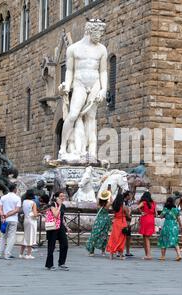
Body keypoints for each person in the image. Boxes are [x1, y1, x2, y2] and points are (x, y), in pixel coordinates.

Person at [58, 19, 107, 159]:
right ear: (89, 31)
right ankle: (62, 147)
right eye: (98, 32)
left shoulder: (102, 49)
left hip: (95, 84)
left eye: (102, 33)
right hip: (79, 83)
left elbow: (103, 71)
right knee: (73, 115)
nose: (100, 36)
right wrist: (67, 85)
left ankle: (90, 152)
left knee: (91, 118)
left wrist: (103, 89)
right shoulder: (73, 49)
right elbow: (69, 71)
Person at [45, 192, 70, 270]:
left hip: (60, 227)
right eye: (61, 196)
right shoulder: (52, 204)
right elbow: (55, 214)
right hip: (53, 227)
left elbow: (61, 217)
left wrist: (67, 227)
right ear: (56, 197)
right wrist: (59, 206)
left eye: (64, 196)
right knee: (51, 246)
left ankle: (62, 263)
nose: (63, 197)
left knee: (65, 244)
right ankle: (49, 264)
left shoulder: (63, 206)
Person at [0, 183, 21, 260]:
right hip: (13, 219)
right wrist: (8, 215)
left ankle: (0, 253)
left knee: (3, 237)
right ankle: (7, 254)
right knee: (11, 237)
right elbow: (17, 210)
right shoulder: (17, 198)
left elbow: (0, 208)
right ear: (14, 189)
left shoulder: (3, 197)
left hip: (4, 220)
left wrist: (3, 215)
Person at [86, 190, 112, 257]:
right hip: (105, 221)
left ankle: (92, 251)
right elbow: (111, 201)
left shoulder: (98, 204)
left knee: (94, 235)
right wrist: (110, 193)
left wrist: (100, 195)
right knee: (104, 236)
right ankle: (103, 252)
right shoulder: (107, 204)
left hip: (98, 221)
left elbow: (98, 199)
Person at [158, 197, 182, 261]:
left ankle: (163, 256)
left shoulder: (166, 209)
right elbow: (178, 219)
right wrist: (181, 226)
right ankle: (179, 255)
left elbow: (161, 217)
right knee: (175, 241)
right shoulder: (176, 209)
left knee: (163, 240)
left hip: (167, 225)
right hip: (174, 226)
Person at [106, 192, 128, 260]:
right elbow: (127, 215)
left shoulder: (114, 206)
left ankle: (111, 255)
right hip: (122, 222)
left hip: (116, 223)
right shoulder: (123, 207)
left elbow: (107, 208)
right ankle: (121, 256)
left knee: (114, 238)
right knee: (121, 239)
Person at [137, 191, 157, 260]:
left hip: (145, 219)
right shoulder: (153, 203)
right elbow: (156, 213)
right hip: (151, 219)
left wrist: (141, 212)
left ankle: (148, 255)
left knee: (146, 238)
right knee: (145, 237)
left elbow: (137, 207)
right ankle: (146, 254)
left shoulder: (144, 202)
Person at [20, 189, 38, 259]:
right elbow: (35, 214)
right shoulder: (33, 203)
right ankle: (28, 254)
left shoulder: (24, 202)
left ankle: (21, 253)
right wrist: (38, 214)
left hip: (26, 220)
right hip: (32, 221)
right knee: (31, 236)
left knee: (26, 236)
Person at [123, 191, 134, 257]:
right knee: (123, 236)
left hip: (129, 220)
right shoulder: (123, 202)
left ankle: (127, 251)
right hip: (124, 220)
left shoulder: (129, 202)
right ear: (127, 196)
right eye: (130, 195)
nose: (131, 197)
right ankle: (120, 251)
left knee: (128, 236)